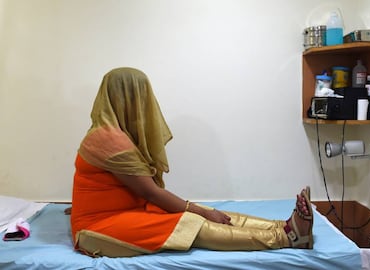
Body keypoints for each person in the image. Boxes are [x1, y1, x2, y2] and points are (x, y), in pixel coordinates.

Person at [70, 67, 313, 257]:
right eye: (142, 95)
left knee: (205, 213)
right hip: (97, 228)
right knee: (190, 222)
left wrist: (205, 211)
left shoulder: (110, 132)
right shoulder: (109, 138)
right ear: (130, 98)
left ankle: (282, 225)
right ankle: (287, 238)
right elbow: (151, 193)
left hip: (127, 211)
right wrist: (201, 212)